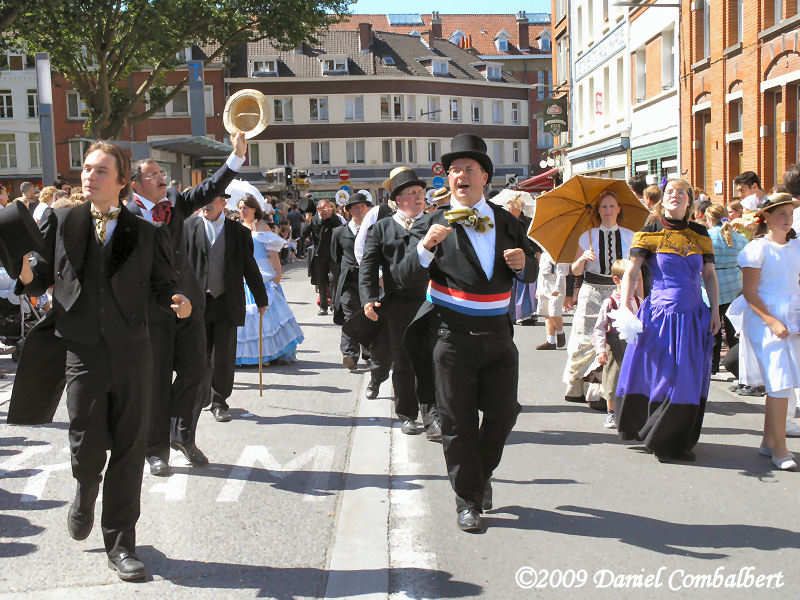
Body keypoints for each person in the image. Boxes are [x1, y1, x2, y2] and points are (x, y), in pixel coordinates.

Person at [15, 141, 191, 581]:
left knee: (130, 449)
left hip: (133, 353)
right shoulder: (62, 220)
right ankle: (85, 486)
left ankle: (121, 543)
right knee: (86, 442)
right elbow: (39, 275)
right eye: (86, 168)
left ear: (122, 181)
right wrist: (25, 272)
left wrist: (178, 301)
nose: (88, 176)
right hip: (82, 350)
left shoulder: (146, 233)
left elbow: (163, 285)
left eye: (100, 171)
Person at [398, 133, 537, 533]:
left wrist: (522, 264)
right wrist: (425, 247)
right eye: (454, 170)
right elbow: (404, 276)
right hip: (451, 336)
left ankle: (480, 473)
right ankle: (468, 500)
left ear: (485, 177)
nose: (460, 175)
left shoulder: (507, 221)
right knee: (457, 423)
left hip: (498, 336)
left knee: (503, 414)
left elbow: (531, 269)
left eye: (468, 169)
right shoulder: (433, 222)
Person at [129, 132, 247, 475]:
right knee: (157, 380)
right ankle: (155, 450)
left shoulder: (175, 203)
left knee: (197, 371)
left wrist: (236, 158)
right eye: (152, 174)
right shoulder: (127, 216)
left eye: (161, 172)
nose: (161, 177)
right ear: (135, 185)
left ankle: (182, 435)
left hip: (190, 306)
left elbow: (209, 188)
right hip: (152, 312)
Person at [616, 178, 721, 463]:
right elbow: (632, 272)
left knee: (687, 378)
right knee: (664, 377)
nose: (675, 195)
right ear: (663, 199)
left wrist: (714, 311)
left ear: (689, 200)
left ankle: (673, 439)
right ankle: (660, 436)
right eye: (670, 191)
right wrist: (625, 307)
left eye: (681, 192)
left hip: (694, 316)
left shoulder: (700, 234)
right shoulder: (648, 233)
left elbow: (709, 275)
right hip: (660, 317)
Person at [360, 169, 440, 439]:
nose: (419, 198)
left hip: (431, 301)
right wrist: (369, 299)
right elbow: (368, 266)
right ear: (397, 199)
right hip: (397, 304)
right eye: (412, 193)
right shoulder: (382, 228)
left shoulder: (433, 223)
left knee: (431, 358)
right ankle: (407, 414)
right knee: (403, 361)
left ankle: (432, 417)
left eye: (420, 193)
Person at [727, 193, 800, 470]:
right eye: (780, 214)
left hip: (791, 317)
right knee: (779, 379)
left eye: (789, 214)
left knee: (782, 382)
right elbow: (750, 292)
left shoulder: (796, 247)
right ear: (766, 217)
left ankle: (769, 441)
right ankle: (780, 449)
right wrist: (772, 321)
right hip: (763, 319)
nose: (787, 219)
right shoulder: (757, 249)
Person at [184, 193, 268, 423]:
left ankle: (219, 401)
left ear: (223, 203)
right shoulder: (188, 227)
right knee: (198, 353)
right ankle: (200, 395)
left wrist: (261, 298)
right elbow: (178, 265)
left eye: (211, 200)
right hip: (196, 303)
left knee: (223, 355)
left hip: (226, 301)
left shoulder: (238, 232)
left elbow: (249, 266)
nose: (205, 205)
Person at [563, 191, 634, 409]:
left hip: (617, 292)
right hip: (591, 292)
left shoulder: (630, 236)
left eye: (612, 206)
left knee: (614, 341)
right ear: (598, 211)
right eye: (604, 207)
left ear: (619, 209)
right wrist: (583, 259)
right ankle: (577, 387)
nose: (608, 211)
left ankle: (604, 392)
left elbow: (636, 270)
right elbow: (575, 270)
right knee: (585, 340)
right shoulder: (588, 236)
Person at [235, 195, 303, 367]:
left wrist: (277, 275)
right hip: (243, 277)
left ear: (254, 209)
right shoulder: (238, 228)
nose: (243, 211)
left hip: (263, 276)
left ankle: (267, 354)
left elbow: (273, 255)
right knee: (246, 320)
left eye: (246, 207)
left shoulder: (262, 227)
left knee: (265, 319)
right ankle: (249, 355)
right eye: (240, 208)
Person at [592, 259, 642, 429]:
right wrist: (600, 350)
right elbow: (599, 328)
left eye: (637, 279)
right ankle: (611, 412)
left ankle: (631, 411)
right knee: (613, 380)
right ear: (616, 280)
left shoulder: (639, 302)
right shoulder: (610, 302)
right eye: (631, 279)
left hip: (634, 346)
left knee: (634, 379)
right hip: (615, 346)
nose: (635, 284)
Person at [331, 192, 373, 370]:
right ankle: (349, 354)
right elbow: (335, 258)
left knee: (369, 315)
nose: (360, 210)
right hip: (348, 281)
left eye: (363, 206)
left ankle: (369, 352)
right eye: (355, 207)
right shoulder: (339, 232)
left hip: (369, 280)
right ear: (348, 211)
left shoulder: (375, 230)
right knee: (350, 316)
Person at [704, 203, 747, 375]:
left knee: (713, 329)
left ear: (709, 218)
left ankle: (712, 367)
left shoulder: (707, 237)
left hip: (711, 288)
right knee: (733, 330)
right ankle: (740, 368)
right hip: (734, 286)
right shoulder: (738, 237)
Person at [503, 192, 539, 325]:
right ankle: (512, 314)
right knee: (512, 289)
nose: (509, 210)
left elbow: (534, 243)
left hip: (526, 258)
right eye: (508, 207)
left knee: (527, 288)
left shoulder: (528, 222)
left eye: (511, 207)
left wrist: (537, 260)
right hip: (509, 257)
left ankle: (526, 315)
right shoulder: (505, 222)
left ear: (518, 208)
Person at [307, 198, 340, 315]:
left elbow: (340, 229)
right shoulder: (314, 219)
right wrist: (307, 221)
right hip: (319, 255)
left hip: (333, 254)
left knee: (335, 279)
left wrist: (331, 216)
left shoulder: (334, 218)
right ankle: (323, 307)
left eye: (327, 208)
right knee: (321, 281)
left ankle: (335, 305)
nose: (325, 211)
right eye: (322, 209)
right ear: (318, 209)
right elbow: (305, 232)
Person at [535, 249, 568, 350]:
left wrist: (557, 289)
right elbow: (540, 274)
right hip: (544, 287)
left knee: (554, 313)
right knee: (546, 314)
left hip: (555, 287)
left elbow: (562, 274)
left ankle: (560, 332)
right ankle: (550, 341)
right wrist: (538, 290)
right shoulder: (544, 254)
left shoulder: (561, 255)